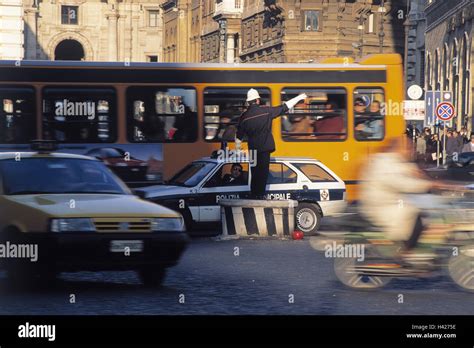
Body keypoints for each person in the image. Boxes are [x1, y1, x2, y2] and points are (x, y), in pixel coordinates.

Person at [359, 138, 433, 252]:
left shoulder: (393, 160)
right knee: (416, 218)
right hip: (380, 207)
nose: (410, 151)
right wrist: (429, 184)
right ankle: (404, 253)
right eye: (407, 148)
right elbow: (402, 183)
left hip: (390, 203)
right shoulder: (385, 164)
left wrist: (423, 176)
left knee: (415, 211)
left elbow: (408, 170)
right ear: (398, 149)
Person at [236, 88, 307, 199]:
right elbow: (284, 107)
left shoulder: (244, 117)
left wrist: (238, 150)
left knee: (255, 173)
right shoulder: (266, 111)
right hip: (265, 148)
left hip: (253, 149)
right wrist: (298, 98)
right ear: (258, 100)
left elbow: (239, 136)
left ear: (248, 102)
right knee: (263, 173)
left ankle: (254, 194)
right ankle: (260, 195)